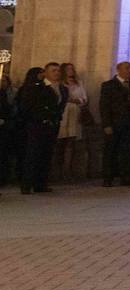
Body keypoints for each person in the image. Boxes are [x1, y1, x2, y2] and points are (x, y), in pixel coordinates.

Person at [19, 63, 65, 194]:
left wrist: (55, 119)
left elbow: (59, 107)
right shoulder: (36, 87)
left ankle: (40, 183)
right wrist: (41, 117)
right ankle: (27, 184)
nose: (57, 73)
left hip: (52, 125)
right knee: (33, 154)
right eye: (53, 70)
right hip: (37, 125)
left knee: (46, 154)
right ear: (45, 73)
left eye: (58, 70)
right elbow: (28, 106)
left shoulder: (62, 88)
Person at [99, 62, 130, 187]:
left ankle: (125, 176)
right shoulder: (108, 85)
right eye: (126, 68)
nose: (129, 71)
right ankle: (108, 177)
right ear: (118, 70)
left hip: (128, 123)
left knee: (125, 151)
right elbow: (104, 106)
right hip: (114, 123)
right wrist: (106, 125)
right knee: (110, 150)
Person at [56, 63, 88, 182]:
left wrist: (77, 100)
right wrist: (69, 99)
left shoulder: (79, 83)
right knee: (60, 142)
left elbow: (84, 98)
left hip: (75, 113)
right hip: (64, 113)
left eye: (72, 68)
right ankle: (58, 170)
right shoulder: (60, 83)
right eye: (68, 69)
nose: (71, 71)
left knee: (71, 143)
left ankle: (67, 170)